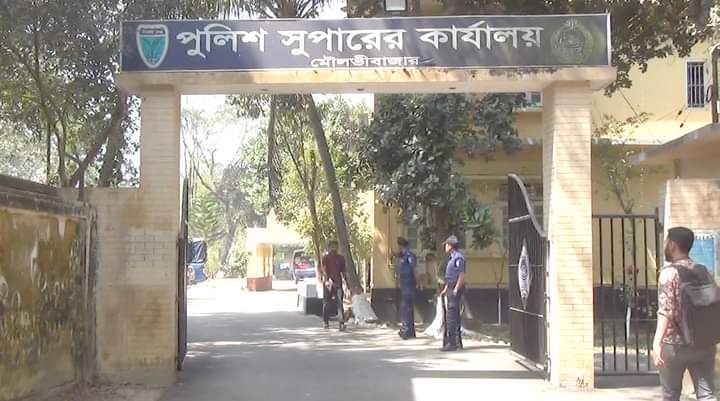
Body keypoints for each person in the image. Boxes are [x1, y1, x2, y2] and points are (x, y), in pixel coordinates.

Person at [653, 226, 717, 401]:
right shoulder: (704, 271)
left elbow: (666, 311)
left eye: (666, 241)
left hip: (675, 345)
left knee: (671, 395)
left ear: (673, 245)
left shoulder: (668, 273)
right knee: (707, 395)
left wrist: (657, 343)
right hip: (704, 342)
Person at [440, 235, 465, 352]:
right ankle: (457, 342)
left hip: (455, 289)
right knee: (454, 316)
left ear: (451, 246)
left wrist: (455, 289)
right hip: (450, 287)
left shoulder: (458, 258)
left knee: (451, 317)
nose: (445, 247)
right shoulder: (451, 258)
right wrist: (446, 288)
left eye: (446, 245)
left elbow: (461, 275)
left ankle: (452, 343)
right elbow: (450, 276)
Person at [320, 240, 347, 331]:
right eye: (332, 247)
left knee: (339, 303)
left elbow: (343, 271)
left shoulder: (341, 258)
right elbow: (324, 270)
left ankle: (341, 323)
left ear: (337, 247)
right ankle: (325, 322)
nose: (334, 248)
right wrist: (326, 280)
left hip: (338, 283)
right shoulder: (325, 258)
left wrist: (346, 282)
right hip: (328, 283)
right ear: (329, 248)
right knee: (326, 303)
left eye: (335, 246)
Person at [396, 237, 418, 340]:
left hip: (409, 284)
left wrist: (418, 282)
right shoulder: (403, 256)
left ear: (401, 246)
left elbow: (414, 269)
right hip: (404, 284)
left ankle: (405, 330)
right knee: (408, 307)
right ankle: (411, 332)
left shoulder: (409, 255)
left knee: (406, 307)